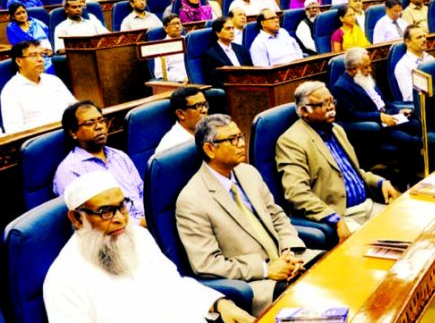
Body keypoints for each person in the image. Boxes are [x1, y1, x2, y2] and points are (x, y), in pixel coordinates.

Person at [43, 171, 255, 323]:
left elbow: (174, 285)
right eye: (105, 211)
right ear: (77, 219)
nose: (120, 219)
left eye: (122, 206)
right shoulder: (64, 279)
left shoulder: (137, 236)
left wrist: (218, 304)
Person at [177, 114, 310, 315]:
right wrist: (266, 270)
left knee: (330, 269)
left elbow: (277, 215)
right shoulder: (191, 200)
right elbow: (207, 263)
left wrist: (290, 251)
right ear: (209, 149)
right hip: (257, 281)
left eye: (240, 136)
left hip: (287, 260)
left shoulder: (248, 172)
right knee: (304, 298)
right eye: (232, 140)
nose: (241, 144)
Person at [276, 81, 401, 241]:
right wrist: (333, 218)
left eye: (331, 102)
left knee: (409, 227)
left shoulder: (337, 130)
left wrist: (379, 182)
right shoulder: (292, 141)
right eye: (323, 104)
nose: (330, 108)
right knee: (381, 249)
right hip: (342, 215)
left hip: (368, 206)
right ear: (304, 111)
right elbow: (297, 193)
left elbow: (353, 172)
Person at [331, 48, 422, 187]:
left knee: (418, 125)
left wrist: (398, 111)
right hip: (375, 128)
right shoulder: (341, 87)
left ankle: (418, 173)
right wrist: (379, 117)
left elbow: (384, 101)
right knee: (409, 141)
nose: (370, 70)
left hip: (390, 117)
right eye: (366, 67)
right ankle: (406, 182)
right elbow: (350, 115)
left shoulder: (365, 78)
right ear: (354, 69)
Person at [54, 100, 145, 222]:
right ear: (73, 133)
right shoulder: (69, 171)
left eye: (101, 121)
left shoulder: (119, 156)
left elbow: (142, 192)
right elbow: (88, 220)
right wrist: (141, 224)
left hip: (147, 221)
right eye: (90, 123)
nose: (99, 127)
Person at [1, 40, 75, 133]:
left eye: (42, 55)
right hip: (42, 139)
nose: (40, 59)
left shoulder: (53, 80)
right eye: (33, 55)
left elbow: (74, 107)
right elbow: (14, 131)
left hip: (70, 131)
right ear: (19, 61)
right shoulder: (11, 91)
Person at [154, 87, 208, 155]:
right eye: (198, 106)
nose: (204, 110)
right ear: (181, 114)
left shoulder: (209, 129)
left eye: (205, 104)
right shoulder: (171, 146)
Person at [202, 17, 253, 88]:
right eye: (228, 29)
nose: (232, 31)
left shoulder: (241, 49)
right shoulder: (210, 55)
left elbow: (252, 70)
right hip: (231, 90)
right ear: (218, 33)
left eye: (233, 28)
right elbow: (214, 82)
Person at [394, 24, 432, 102]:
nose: (424, 40)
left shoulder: (430, 58)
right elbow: (409, 96)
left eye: (424, 36)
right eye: (419, 37)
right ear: (408, 42)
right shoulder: (402, 66)